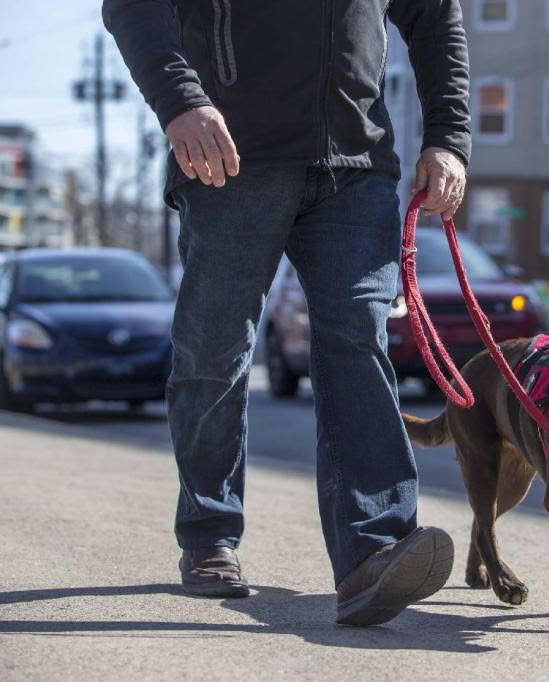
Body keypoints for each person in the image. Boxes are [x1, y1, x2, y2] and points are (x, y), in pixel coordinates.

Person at [103, 0, 470, 626]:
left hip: (357, 163)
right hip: (230, 158)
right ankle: (209, 531)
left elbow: (436, 18)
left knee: (358, 335)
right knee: (215, 349)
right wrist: (180, 102)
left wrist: (448, 138)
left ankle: (372, 552)